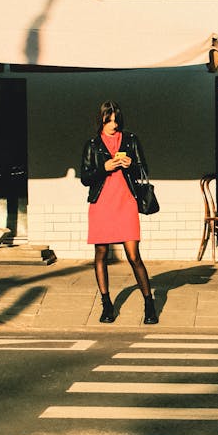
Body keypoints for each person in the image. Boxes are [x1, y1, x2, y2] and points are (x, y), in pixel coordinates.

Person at [80, 100, 158, 324]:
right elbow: (85, 178)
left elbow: (143, 169)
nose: (113, 124)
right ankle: (106, 305)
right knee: (101, 254)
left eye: (116, 120)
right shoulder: (92, 144)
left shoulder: (131, 139)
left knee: (134, 255)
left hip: (126, 203)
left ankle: (149, 304)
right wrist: (103, 169)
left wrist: (130, 164)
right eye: (108, 119)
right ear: (101, 119)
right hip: (101, 204)